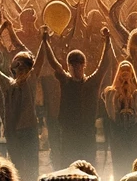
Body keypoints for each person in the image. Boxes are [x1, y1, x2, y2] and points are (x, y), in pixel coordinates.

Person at [0, 22, 46, 181]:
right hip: (13, 132)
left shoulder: (31, 79)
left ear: (27, 66)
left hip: (29, 129)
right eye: (16, 63)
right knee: (16, 168)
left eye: (22, 64)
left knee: (32, 168)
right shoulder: (7, 83)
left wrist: (44, 40)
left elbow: (39, 60)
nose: (18, 67)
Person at [45, 27, 114, 168]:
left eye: (79, 65)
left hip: (87, 133)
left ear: (84, 65)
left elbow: (105, 64)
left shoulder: (92, 82)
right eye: (72, 66)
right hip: (68, 134)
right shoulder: (65, 81)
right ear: (68, 66)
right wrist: (45, 41)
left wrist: (108, 40)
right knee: (68, 169)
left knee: (88, 170)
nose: (76, 69)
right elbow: (54, 63)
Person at [102, 60, 137, 173]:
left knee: (136, 163)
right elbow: (111, 113)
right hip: (118, 131)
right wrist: (118, 92)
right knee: (120, 164)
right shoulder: (110, 92)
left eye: (128, 70)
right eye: (123, 70)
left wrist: (132, 92)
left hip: (133, 130)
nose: (125, 72)